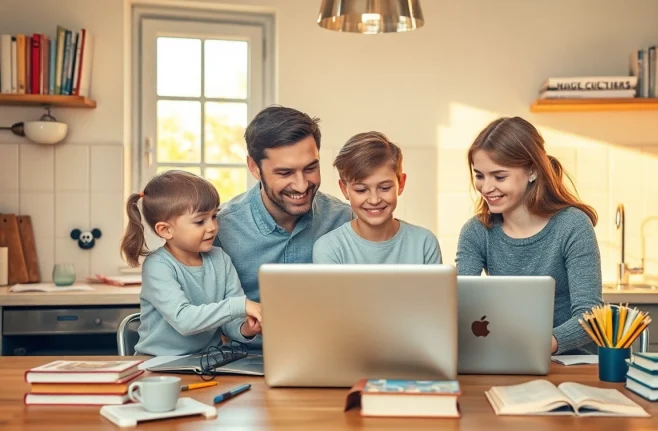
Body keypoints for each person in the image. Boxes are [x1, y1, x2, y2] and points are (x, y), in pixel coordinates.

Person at [455, 116, 603, 355]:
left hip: (570, 362)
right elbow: (461, 308)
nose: (486, 188)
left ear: (532, 170)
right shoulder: (476, 232)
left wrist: (542, 345)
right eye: (479, 175)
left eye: (499, 177)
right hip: (504, 357)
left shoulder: (572, 225)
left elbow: (591, 316)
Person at [214, 106, 353, 300]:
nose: (301, 186)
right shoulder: (220, 229)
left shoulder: (345, 219)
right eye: (285, 173)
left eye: (310, 168)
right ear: (254, 167)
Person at [120, 170, 263, 356]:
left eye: (214, 216)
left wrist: (246, 329)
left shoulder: (220, 258)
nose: (212, 227)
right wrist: (240, 305)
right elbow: (184, 321)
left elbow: (229, 321)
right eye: (200, 221)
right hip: (156, 363)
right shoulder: (158, 266)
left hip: (205, 362)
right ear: (165, 230)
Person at [312, 131, 441, 264]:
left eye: (384, 188)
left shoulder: (424, 244)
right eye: (361, 190)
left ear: (401, 183)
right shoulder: (329, 248)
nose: (374, 200)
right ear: (344, 189)